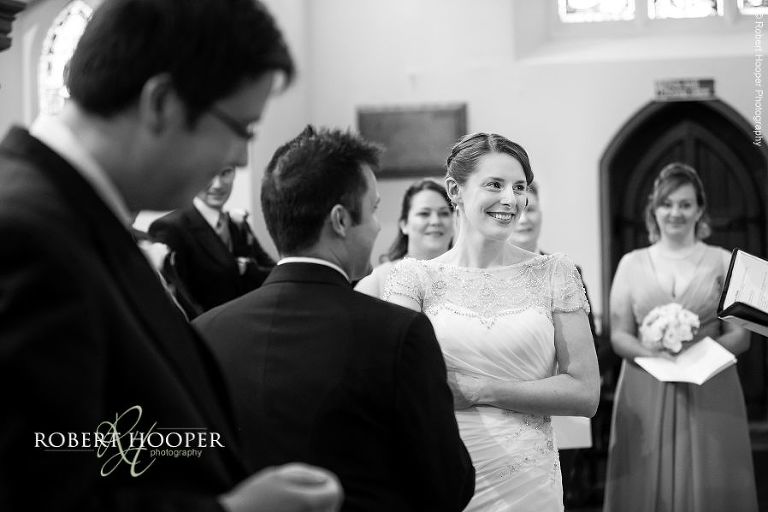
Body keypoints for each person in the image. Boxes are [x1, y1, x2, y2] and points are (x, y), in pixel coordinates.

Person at [0, 1, 342, 511]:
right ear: (161, 102)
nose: (239, 158)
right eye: (241, 128)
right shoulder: (24, 235)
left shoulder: (81, 215)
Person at [193, 126, 475, 512]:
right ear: (341, 221)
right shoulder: (397, 333)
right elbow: (447, 485)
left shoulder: (204, 333)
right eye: (373, 210)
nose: (378, 226)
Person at [384, 132, 600, 511]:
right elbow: (397, 386)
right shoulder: (413, 279)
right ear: (455, 189)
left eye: (520, 187)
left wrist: (481, 390)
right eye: (494, 185)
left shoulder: (555, 273)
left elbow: (585, 392)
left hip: (529, 482)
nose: (511, 200)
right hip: (443, 467)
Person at [603, 163, 757, 512]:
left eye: (686, 204)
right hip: (646, 382)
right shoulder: (631, 263)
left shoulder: (724, 262)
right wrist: (654, 355)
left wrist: (696, 358)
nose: (675, 212)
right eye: (667, 203)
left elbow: (740, 337)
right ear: (653, 208)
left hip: (710, 381)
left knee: (712, 474)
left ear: (700, 209)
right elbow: (620, 335)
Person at [149, 166, 276, 318]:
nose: (217, 184)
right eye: (209, 174)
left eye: (225, 173)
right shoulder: (171, 228)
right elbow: (181, 303)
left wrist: (248, 269)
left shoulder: (237, 225)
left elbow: (273, 273)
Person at [355, 178, 453, 298]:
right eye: (424, 213)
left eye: (444, 213)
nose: (435, 221)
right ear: (404, 224)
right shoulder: (378, 280)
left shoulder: (468, 275)